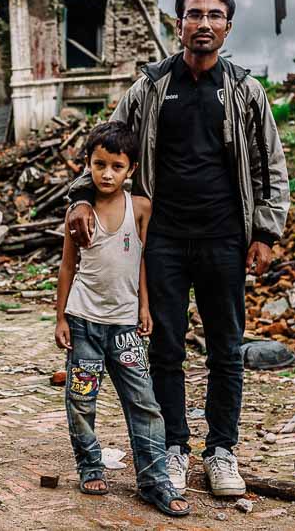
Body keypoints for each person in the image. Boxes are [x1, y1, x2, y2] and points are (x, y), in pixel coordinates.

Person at [65, 0, 290, 497]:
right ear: (178, 23)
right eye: (194, 14)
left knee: (226, 350)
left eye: (214, 15)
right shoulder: (150, 88)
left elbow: (271, 166)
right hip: (161, 239)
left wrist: (266, 232)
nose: (204, 23)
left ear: (228, 27)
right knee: (165, 347)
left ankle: (222, 452)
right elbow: (107, 146)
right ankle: (173, 449)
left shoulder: (244, 91)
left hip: (225, 238)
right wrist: (80, 196)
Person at [55, 121, 190, 517]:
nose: (107, 173)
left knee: (144, 402)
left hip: (126, 326)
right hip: (83, 323)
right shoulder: (78, 213)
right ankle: (90, 465)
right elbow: (66, 268)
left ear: (130, 169)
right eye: (99, 164)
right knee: (81, 399)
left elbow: (142, 261)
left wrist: (144, 307)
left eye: (116, 166)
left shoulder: (141, 207)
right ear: (87, 166)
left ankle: (154, 481)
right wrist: (60, 317)